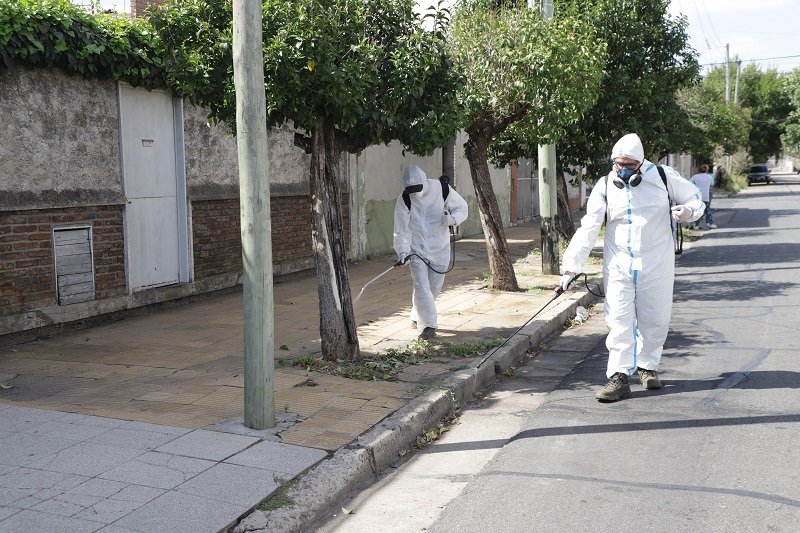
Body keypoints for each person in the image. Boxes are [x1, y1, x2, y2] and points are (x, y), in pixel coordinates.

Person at [558, 133, 705, 402]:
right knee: (618, 321)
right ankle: (618, 377)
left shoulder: (663, 176)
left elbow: (695, 198)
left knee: (656, 319)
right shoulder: (604, 185)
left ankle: (647, 366)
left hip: (657, 262)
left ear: (641, 163)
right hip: (618, 264)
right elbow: (589, 226)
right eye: (619, 164)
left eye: (629, 165)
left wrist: (689, 212)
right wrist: (570, 267)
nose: (623, 170)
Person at [393, 165, 468, 340]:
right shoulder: (405, 199)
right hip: (417, 249)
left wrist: (452, 219)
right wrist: (403, 252)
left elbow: (462, 208)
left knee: (433, 288)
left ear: (424, 182)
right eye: (411, 190)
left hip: (440, 248)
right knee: (421, 286)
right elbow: (401, 229)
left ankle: (416, 314)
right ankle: (428, 326)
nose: (415, 193)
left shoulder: (441, 189)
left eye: (417, 189)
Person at [690, 164, 716, 229]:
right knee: (707, 209)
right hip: (707, 195)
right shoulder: (709, 177)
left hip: (697, 196)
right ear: (707, 170)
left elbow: (689, 183)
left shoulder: (695, 177)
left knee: (698, 210)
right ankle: (709, 223)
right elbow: (712, 184)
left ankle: (696, 225)